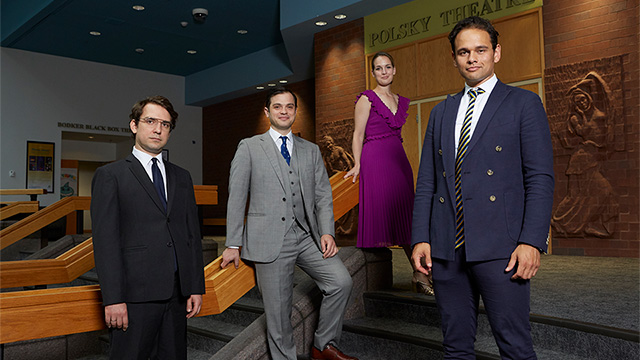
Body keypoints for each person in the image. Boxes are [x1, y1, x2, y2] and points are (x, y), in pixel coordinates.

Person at [411, 16, 554, 359]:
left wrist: (531, 241)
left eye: (480, 50)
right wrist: (421, 237)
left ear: (496, 53)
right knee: (455, 347)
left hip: (502, 248)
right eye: (463, 52)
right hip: (447, 247)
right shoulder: (440, 112)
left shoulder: (524, 104)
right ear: (454, 58)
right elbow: (428, 181)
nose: (472, 58)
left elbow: (540, 178)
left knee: (515, 346)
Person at [221, 87, 357, 360]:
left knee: (341, 282)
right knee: (279, 312)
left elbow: (322, 195)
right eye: (278, 106)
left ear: (295, 111)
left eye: (289, 107)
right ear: (267, 111)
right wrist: (232, 243)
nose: (284, 111)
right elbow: (236, 196)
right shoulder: (249, 147)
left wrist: (327, 231)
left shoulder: (311, 150)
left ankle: (323, 345)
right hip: (269, 239)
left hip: (307, 235)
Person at [91, 95, 205, 360]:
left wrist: (195, 286)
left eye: (165, 124)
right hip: (133, 297)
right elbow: (105, 242)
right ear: (134, 126)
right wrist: (113, 298)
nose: (158, 129)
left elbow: (191, 235)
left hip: (177, 295)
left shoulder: (182, 176)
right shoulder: (111, 175)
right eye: (151, 121)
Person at [344, 51, 433, 295]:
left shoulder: (400, 100)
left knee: (407, 215)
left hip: (399, 160)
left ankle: (421, 270)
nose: (383, 71)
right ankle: (423, 273)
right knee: (387, 212)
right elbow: (357, 134)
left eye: (387, 67)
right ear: (373, 73)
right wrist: (358, 163)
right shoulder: (366, 99)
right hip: (375, 160)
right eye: (378, 68)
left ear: (394, 71)